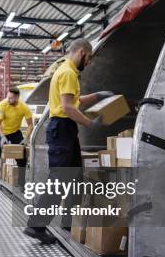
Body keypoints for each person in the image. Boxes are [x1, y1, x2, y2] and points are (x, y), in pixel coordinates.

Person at [23, 38, 115, 244]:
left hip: (66, 130)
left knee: (75, 177)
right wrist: (90, 124)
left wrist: (98, 96)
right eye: (89, 58)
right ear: (82, 52)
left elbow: (76, 101)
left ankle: (68, 220)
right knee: (59, 180)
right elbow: (67, 107)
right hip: (61, 128)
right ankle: (35, 225)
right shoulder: (67, 73)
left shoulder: (68, 72)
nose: (89, 62)